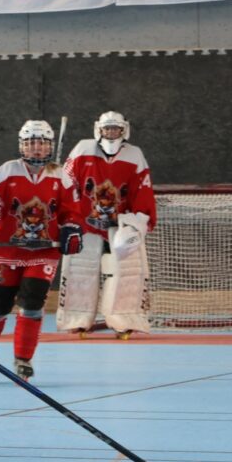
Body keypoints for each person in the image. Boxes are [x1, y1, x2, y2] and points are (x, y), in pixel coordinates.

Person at [0, 120, 84, 382]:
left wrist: (72, 229)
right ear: (22, 145)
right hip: (7, 252)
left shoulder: (62, 176)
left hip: (43, 253)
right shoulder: (6, 172)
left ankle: (23, 358)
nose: (37, 148)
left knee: (32, 301)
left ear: (50, 146)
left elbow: (72, 211)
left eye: (42, 143)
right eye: (31, 143)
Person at [54, 111, 157, 339]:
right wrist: (68, 214)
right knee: (79, 270)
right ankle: (77, 317)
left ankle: (124, 319)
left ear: (124, 130)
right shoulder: (82, 149)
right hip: (85, 222)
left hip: (119, 224)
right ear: (98, 129)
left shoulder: (134, 154)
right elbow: (67, 182)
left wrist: (137, 221)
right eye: (107, 128)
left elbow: (143, 190)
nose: (111, 133)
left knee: (127, 271)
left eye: (115, 129)